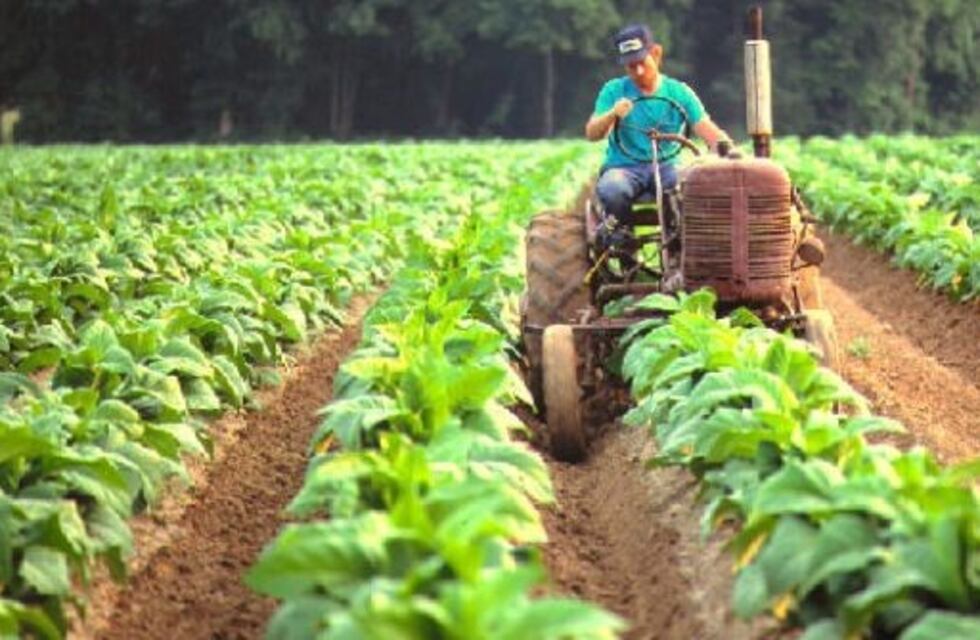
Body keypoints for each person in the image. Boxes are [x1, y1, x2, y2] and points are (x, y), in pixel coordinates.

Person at [585, 24, 733, 226]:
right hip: (624, 168)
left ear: (656, 54)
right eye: (630, 66)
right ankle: (623, 242)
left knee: (689, 187)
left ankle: (679, 239)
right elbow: (593, 133)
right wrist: (612, 114)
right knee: (613, 189)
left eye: (641, 62)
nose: (638, 71)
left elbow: (707, 130)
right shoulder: (613, 90)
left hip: (667, 167)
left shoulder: (679, 92)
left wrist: (730, 152)